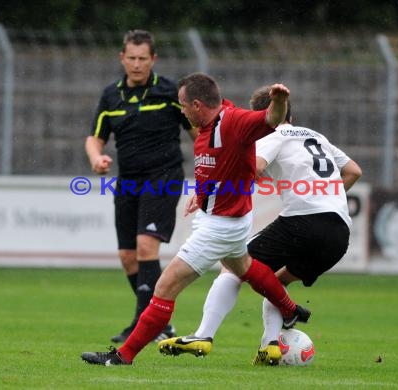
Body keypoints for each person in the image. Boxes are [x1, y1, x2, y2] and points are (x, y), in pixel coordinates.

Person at [81, 73, 311, 366]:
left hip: (221, 226)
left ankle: (123, 356)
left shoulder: (233, 122)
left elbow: (270, 119)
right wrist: (201, 195)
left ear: (198, 104)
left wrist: (279, 100)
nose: (181, 110)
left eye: (183, 105)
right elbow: (219, 166)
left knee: (165, 286)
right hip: (224, 217)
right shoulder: (208, 122)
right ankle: (289, 309)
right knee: (245, 267)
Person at [157, 85, 362, 365]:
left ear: (261, 115)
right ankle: (269, 347)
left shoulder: (273, 134)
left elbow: (257, 165)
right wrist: (329, 196)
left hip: (303, 221)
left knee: (232, 267)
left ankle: (203, 335)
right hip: (339, 232)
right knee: (275, 284)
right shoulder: (317, 136)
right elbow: (353, 171)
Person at [85, 29, 196, 344]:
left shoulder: (170, 92)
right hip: (129, 180)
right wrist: (96, 157)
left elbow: (197, 132)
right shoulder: (110, 95)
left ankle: (146, 324)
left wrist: (208, 168)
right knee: (127, 256)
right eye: (131, 58)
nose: (136, 64)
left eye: (142, 59)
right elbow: (95, 137)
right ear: (122, 58)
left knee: (147, 246)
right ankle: (156, 321)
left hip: (163, 176)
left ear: (153, 59)